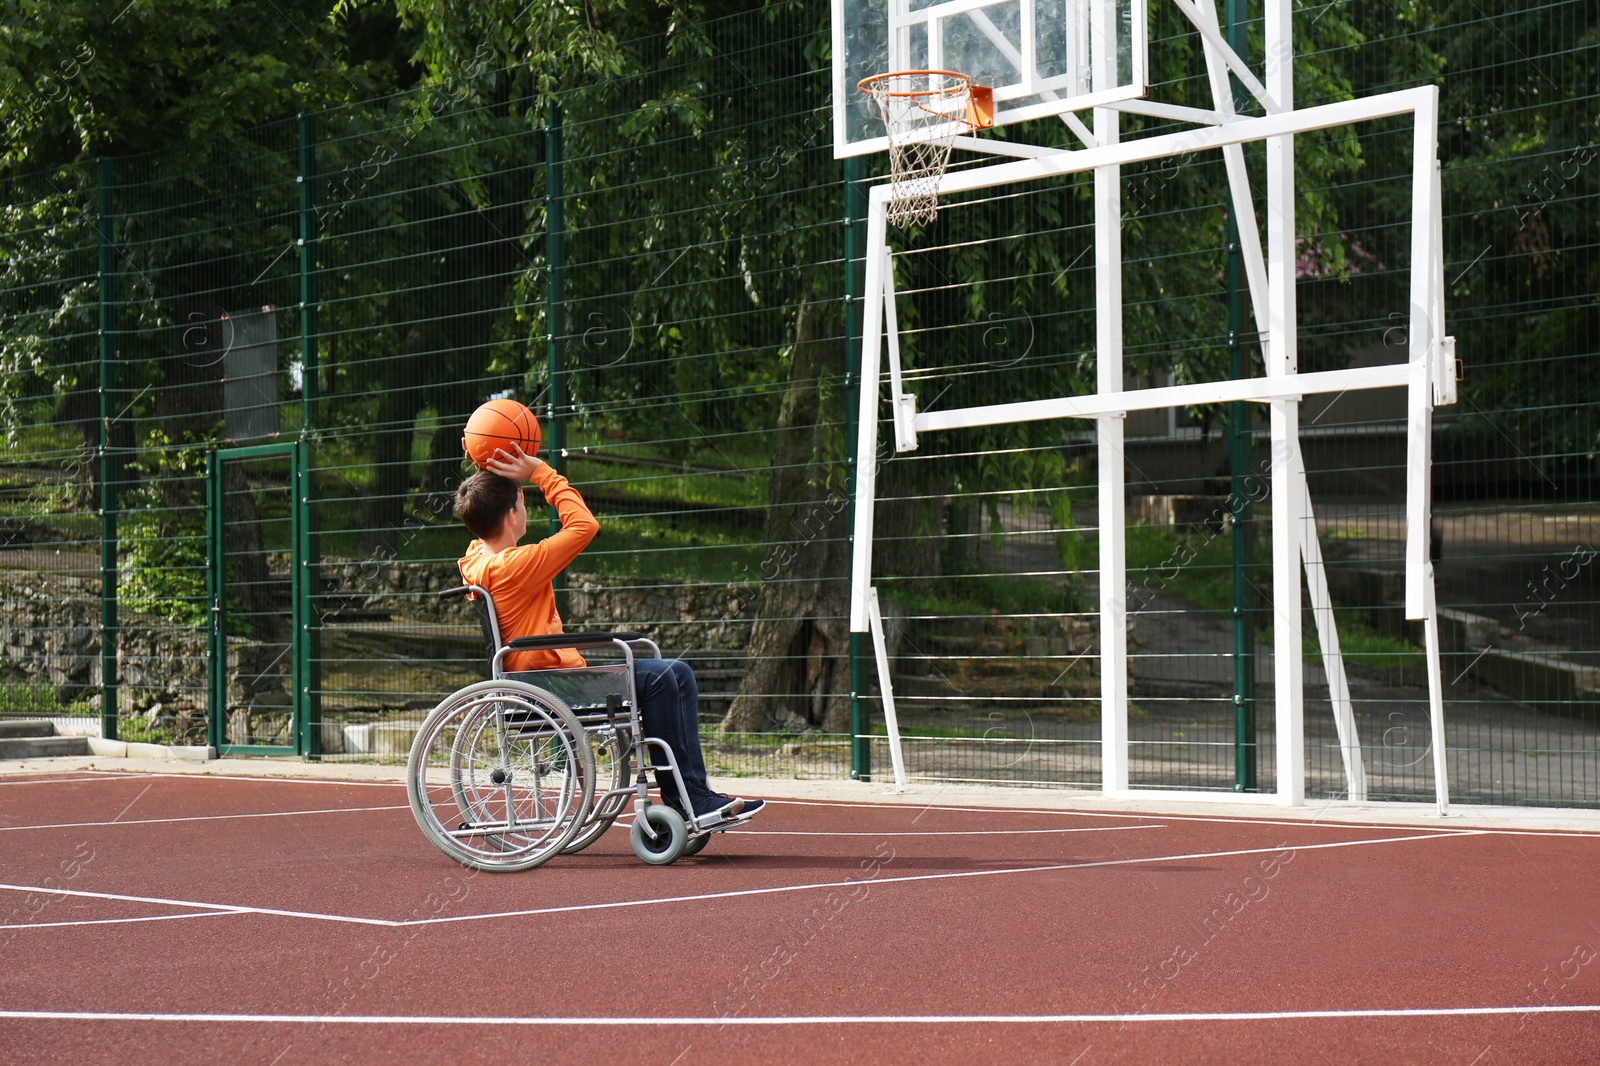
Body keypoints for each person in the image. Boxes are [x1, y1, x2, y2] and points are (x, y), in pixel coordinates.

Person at [452, 443, 762, 825]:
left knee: (674, 673)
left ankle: (691, 795)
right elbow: (585, 525)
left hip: (531, 680)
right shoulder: (515, 564)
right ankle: (687, 798)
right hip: (548, 686)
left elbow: (482, 520)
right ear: (513, 512)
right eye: (523, 503)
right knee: (665, 676)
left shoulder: (475, 559)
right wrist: (539, 472)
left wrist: (487, 478)